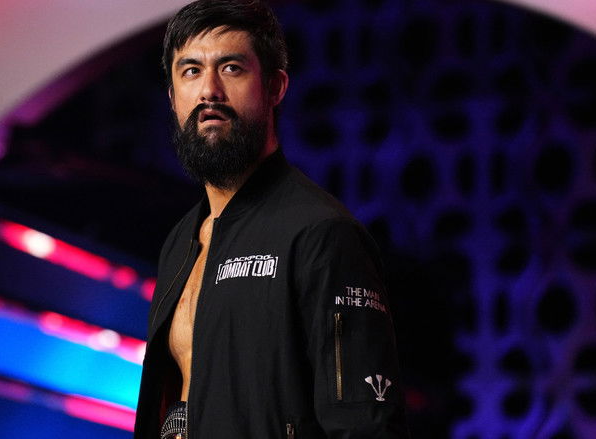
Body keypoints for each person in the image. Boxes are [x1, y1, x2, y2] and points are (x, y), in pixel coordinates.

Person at [134, 1, 409, 437]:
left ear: (276, 87)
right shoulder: (179, 242)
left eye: (231, 68)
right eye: (191, 71)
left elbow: (366, 427)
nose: (209, 91)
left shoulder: (321, 233)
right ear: (172, 97)